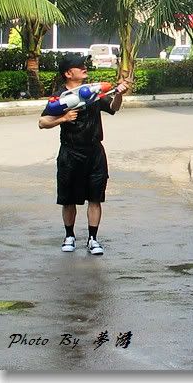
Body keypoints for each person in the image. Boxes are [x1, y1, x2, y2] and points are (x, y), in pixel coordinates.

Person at [38, 54, 128, 255]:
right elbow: (42, 122)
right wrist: (63, 118)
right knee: (68, 198)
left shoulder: (93, 92)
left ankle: (93, 239)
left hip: (95, 152)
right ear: (68, 73)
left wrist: (120, 93)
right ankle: (69, 236)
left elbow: (113, 107)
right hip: (70, 153)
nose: (84, 68)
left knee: (95, 197)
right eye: (80, 67)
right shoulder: (61, 97)